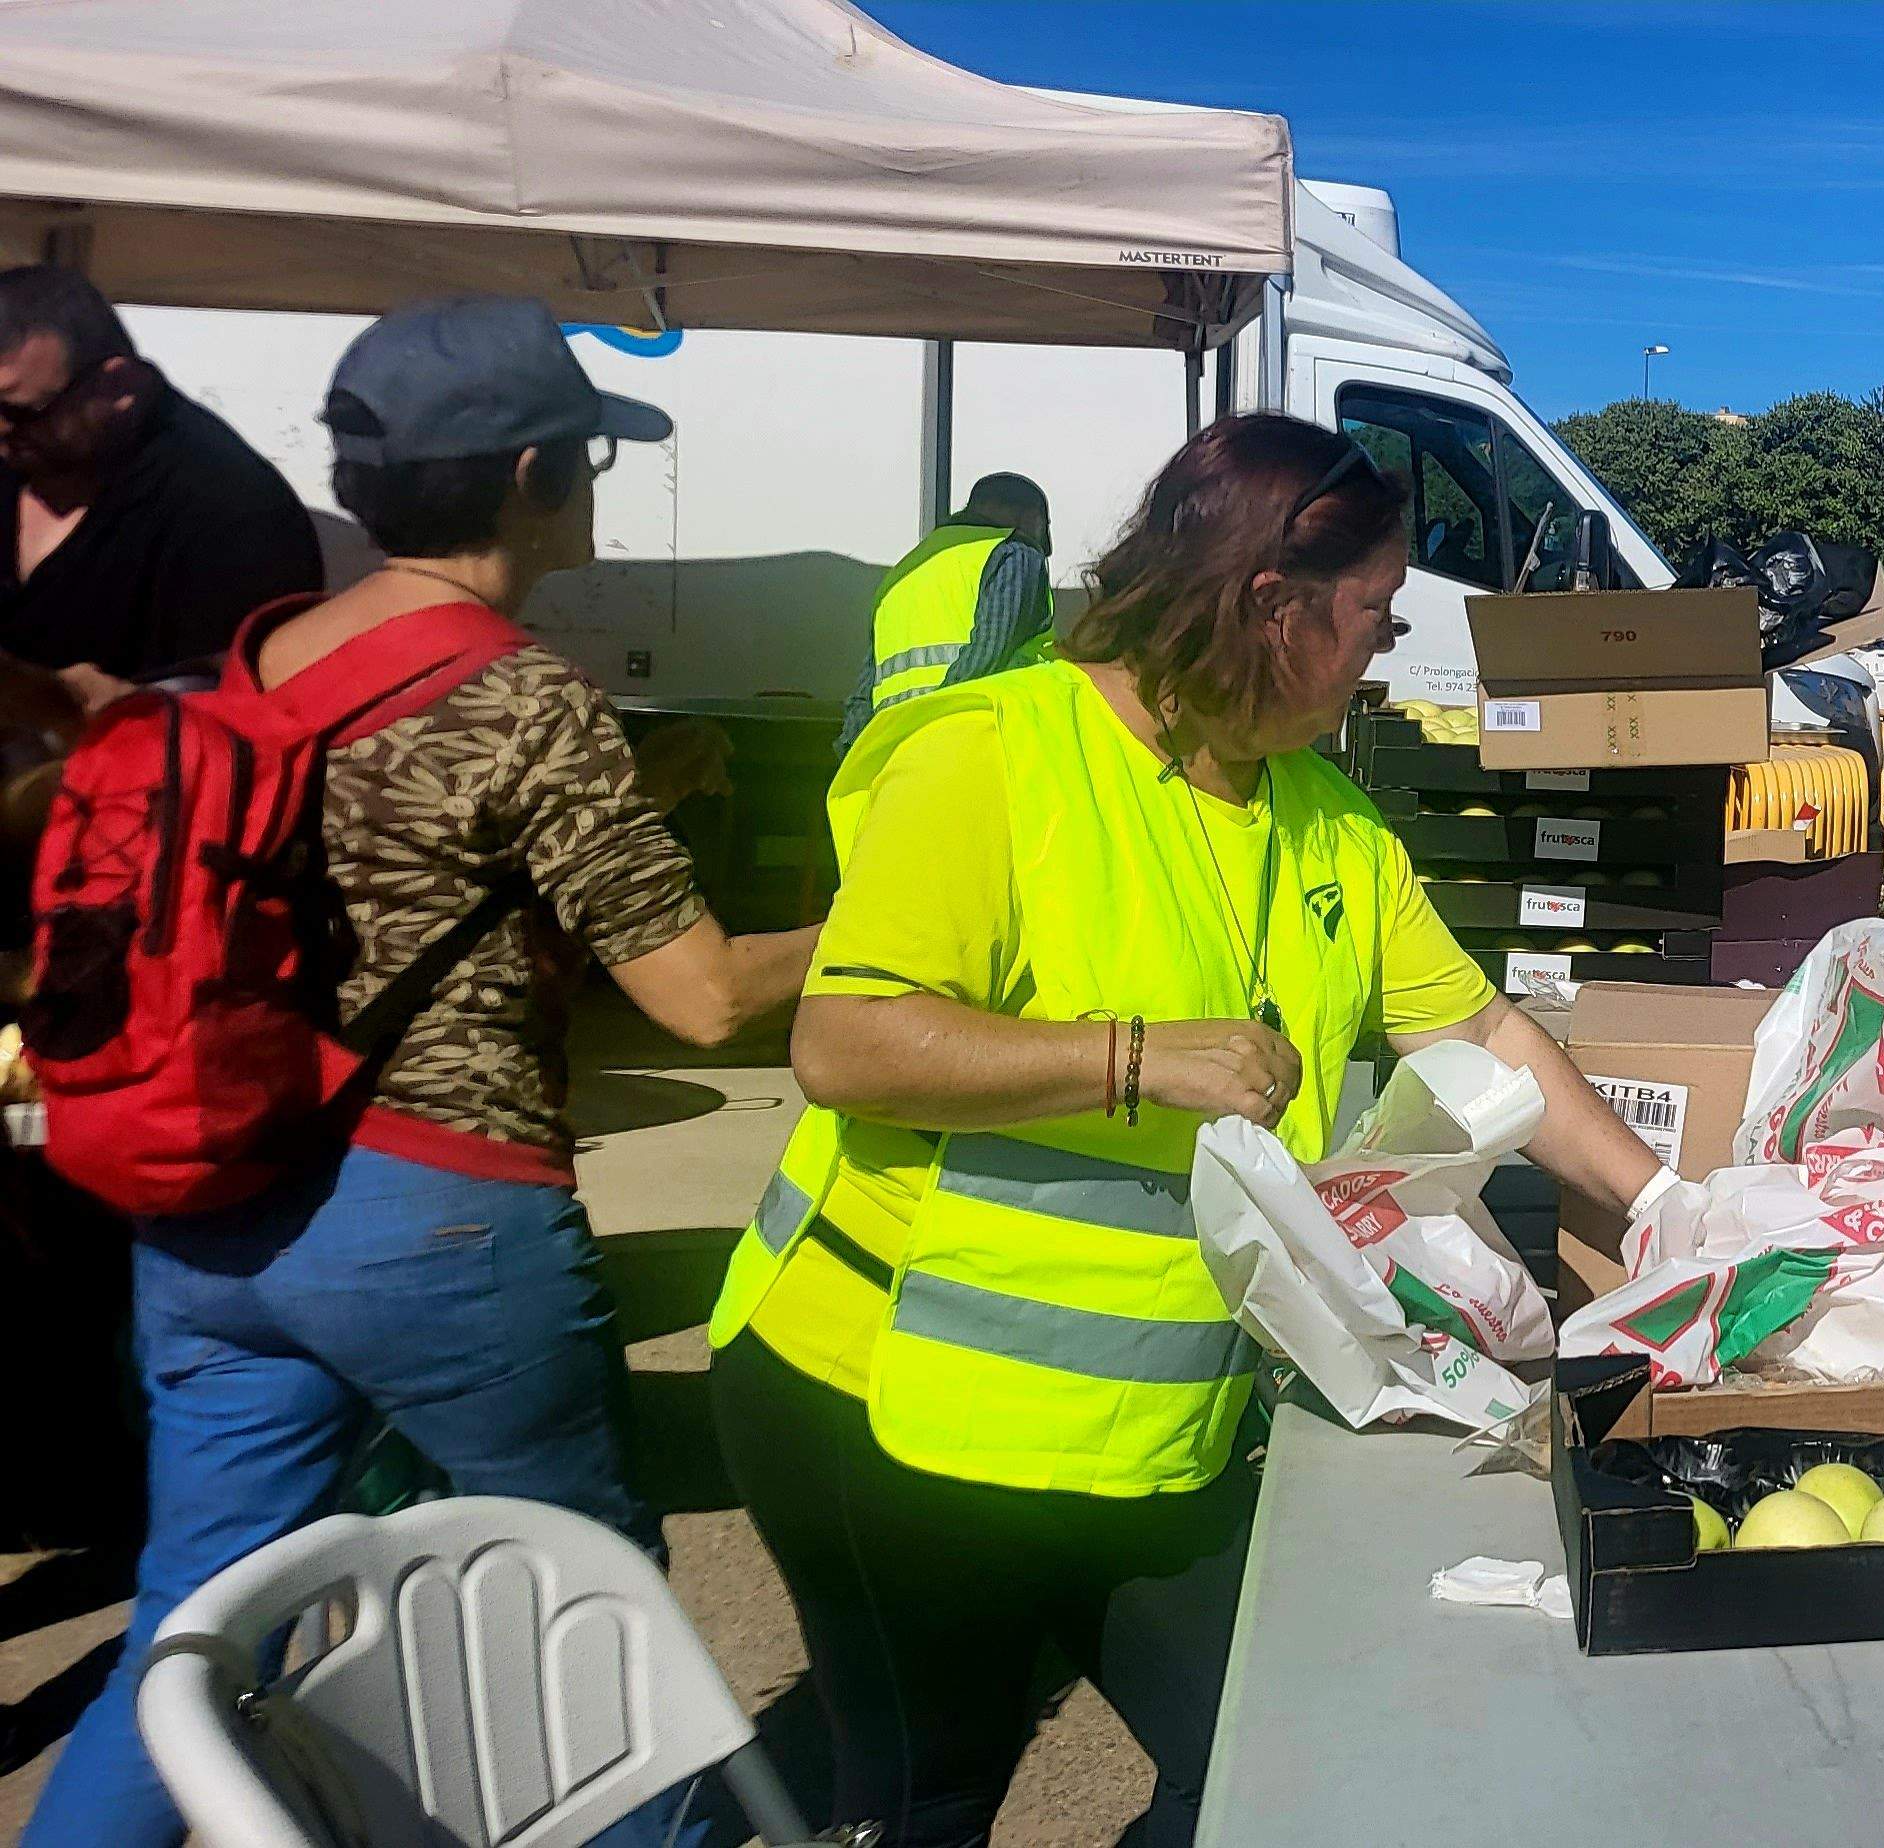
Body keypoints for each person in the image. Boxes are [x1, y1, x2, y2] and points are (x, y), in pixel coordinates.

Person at [705, 412, 1669, 1846]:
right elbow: (841, 1041)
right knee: (930, 1798)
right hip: (886, 1416)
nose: (1383, 650)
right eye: (1370, 617)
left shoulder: (1328, 819)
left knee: (1281, 1763)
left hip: (1152, 1435)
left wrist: (1673, 1213)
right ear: (1272, 608)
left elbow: (1482, 1036)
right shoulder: (993, 754)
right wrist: (1134, 1059)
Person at [18, 295, 817, 1848]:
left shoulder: (254, 665)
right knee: (583, 1613)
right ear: (532, 473)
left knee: (192, 1629)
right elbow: (707, 999)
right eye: (588, 455)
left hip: (212, 1211)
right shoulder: (527, 696)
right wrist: (868, 932)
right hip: (438, 1221)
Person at [0, 265, 323, 681]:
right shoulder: (25, 452)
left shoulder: (233, 510)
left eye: (19, 411)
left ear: (119, 387)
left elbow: (229, 701)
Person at [835, 470, 1053, 756]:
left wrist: (855, 752)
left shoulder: (902, 575)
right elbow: (989, 654)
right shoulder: (1012, 552)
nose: (1045, 544)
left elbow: (866, 691)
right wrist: (935, 733)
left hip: (894, 756)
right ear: (1030, 516)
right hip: (974, 746)